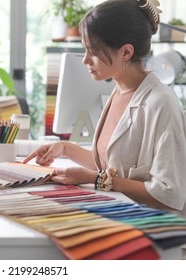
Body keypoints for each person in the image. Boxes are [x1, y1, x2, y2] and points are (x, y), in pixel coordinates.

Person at [24, 0, 186, 216]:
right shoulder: (119, 92)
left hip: (151, 227)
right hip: (117, 212)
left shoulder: (161, 103)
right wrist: (65, 148)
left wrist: (94, 179)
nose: (84, 60)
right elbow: (114, 166)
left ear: (126, 52)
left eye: (93, 52)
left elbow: (169, 194)